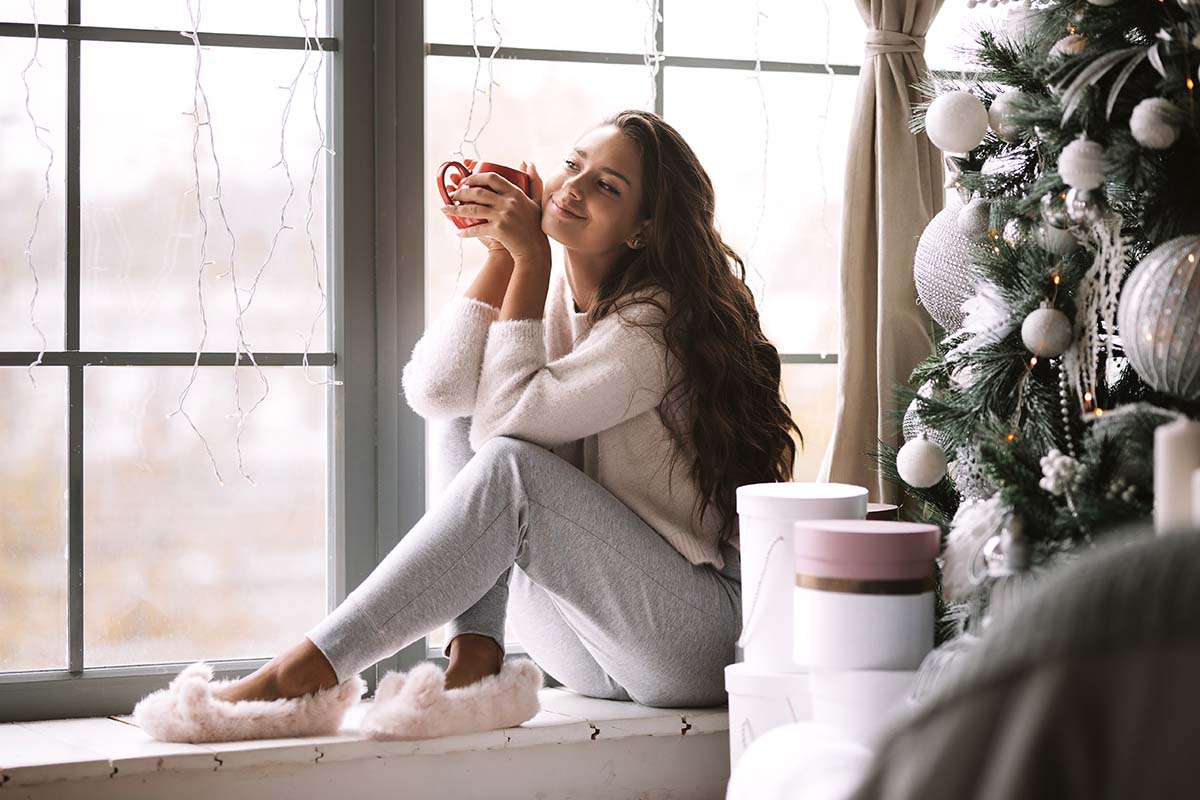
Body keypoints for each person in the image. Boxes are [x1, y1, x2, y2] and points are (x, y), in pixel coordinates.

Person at [212, 108, 801, 708]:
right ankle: (474, 653)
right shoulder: (553, 292)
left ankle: (307, 670)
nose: (573, 186)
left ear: (642, 230)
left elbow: (505, 429)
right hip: (591, 642)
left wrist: (531, 260)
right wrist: (502, 258)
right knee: (466, 411)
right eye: (572, 164)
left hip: (690, 641)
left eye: (606, 185)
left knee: (509, 465)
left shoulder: (656, 324)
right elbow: (436, 394)